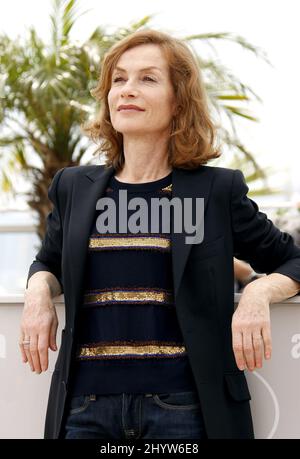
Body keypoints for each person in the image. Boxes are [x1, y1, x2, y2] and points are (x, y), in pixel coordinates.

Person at [21, 29, 300, 440]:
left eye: (147, 79)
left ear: (178, 100)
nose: (127, 90)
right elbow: (48, 262)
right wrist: (37, 294)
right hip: (84, 410)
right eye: (119, 79)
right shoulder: (72, 187)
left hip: (185, 409)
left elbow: (291, 260)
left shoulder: (215, 191)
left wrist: (257, 295)